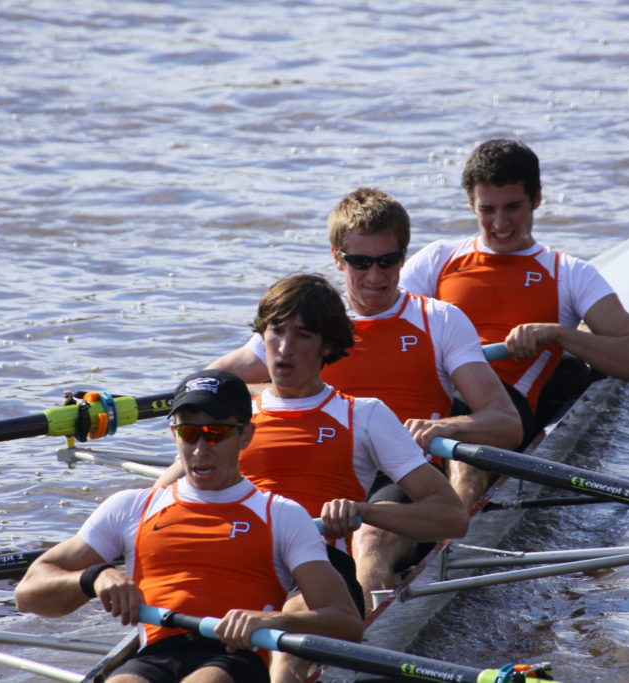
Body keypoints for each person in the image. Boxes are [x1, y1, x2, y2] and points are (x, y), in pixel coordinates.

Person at [15, 369, 362, 683]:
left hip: (234, 658)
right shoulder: (131, 507)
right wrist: (94, 578)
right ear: (173, 434)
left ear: (245, 436)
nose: (199, 450)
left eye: (215, 433)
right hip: (155, 655)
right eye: (188, 432)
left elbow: (345, 621)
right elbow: (28, 595)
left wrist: (270, 621)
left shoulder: (282, 515)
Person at [156, 274, 468, 613]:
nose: (285, 348)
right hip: (234, 559)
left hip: (315, 565)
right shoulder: (234, 417)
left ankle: (348, 636)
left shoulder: (364, 415)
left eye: (302, 335)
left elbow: (452, 517)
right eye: (276, 332)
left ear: (327, 346)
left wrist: (364, 513)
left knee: (287, 638)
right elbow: (158, 501)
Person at [203, 188, 522, 512]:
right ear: (337, 258)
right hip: (319, 469)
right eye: (360, 262)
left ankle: (441, 543)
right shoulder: (305, 321)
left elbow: (506, 424)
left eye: (387, 261)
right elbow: (209, 386)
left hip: (402, 472)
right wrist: (274, 393)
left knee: (372, 535)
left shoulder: (439, 320)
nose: (375, 275)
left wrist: (445, 427)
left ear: (404, 256)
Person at [400, 139, 629, 446]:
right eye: (487, 209)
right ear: (471, 204)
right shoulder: (436, 260)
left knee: (472, 444)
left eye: (513, 207)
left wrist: (558, 335)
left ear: (537, 199)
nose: (500, 224)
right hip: (431, 393)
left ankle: (460, 493)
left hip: (501, 411)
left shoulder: (570, 274)